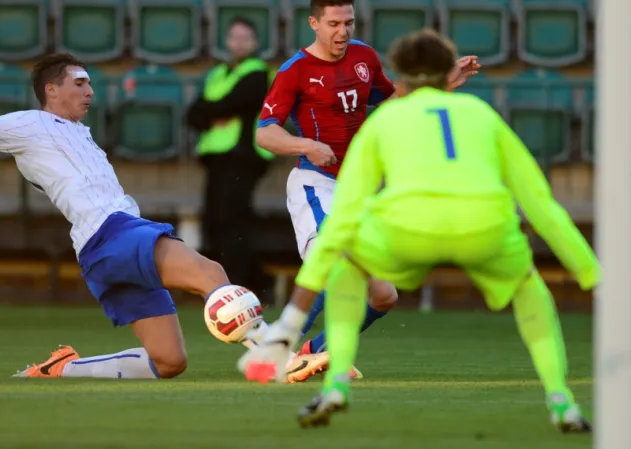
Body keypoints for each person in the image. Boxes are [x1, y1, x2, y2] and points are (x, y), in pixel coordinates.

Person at [239, 29, 597, 431]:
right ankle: (561, 401)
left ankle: (334, 385)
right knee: (531, 294)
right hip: (482, 224)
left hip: (408, 227)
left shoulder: (383, 121)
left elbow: (344, 222)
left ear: (400, 77)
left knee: (348, 270)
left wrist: (287, 322)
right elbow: (541, 205)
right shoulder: (482, 115)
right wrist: (595, 278)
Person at [0, 34, 267, 381]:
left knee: (170, 362)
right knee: (210, 272)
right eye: (80, 83)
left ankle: (63, 368)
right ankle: (274, 352)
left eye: (90, 84)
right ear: (51, 90)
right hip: (113, 232)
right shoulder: (29, 125)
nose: (90, 91)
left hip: (101, 248)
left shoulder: (82, 134)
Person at [250, 0, 480, 382]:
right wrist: (306, 145)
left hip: (357, 188)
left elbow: (390, 103)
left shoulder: (363, 58)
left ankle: (316, 353)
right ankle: (276, 348)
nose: (343, 31)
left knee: (383, 295)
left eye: (349, 23)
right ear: (314, 23)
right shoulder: (295, 71)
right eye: (334, 23)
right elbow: (264, 132)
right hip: (316, 185)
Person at [185, 16, 274, 294]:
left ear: (255, 42)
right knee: (215, 219)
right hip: (217, 159)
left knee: (233, 220)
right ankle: (247, 282)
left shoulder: (257, 72)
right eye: (234, 37)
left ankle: (238, 285)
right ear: (227, 41)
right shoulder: (217, 74)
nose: (238, 43)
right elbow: (193, 114)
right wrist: (216, 113)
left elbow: (237, 102)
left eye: (245, 38)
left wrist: (214, 110)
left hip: (243, 157)